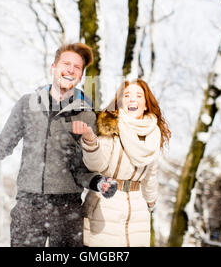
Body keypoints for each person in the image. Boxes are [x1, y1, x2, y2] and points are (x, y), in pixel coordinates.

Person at [0, 43, 116, 247]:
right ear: (53, 67)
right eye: (66, 63)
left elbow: (82, 169)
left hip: (67, 210)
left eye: (77, 67)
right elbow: (3, 143)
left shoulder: (86, 115)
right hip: (28, 207)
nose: (70, 70)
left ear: (80, 76)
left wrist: (99, 183)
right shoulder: (27, 104)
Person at [72, 78, 171, 247]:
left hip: (138, 210)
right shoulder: (109, 126)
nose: (133, 99)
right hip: (105, 204)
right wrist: (90, 141)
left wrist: (150, 202)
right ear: (120, 102)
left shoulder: (153, 135)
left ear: (146, 104)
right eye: (127, 95)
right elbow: (97, 166)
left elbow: (150, 175)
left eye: (139, 96)